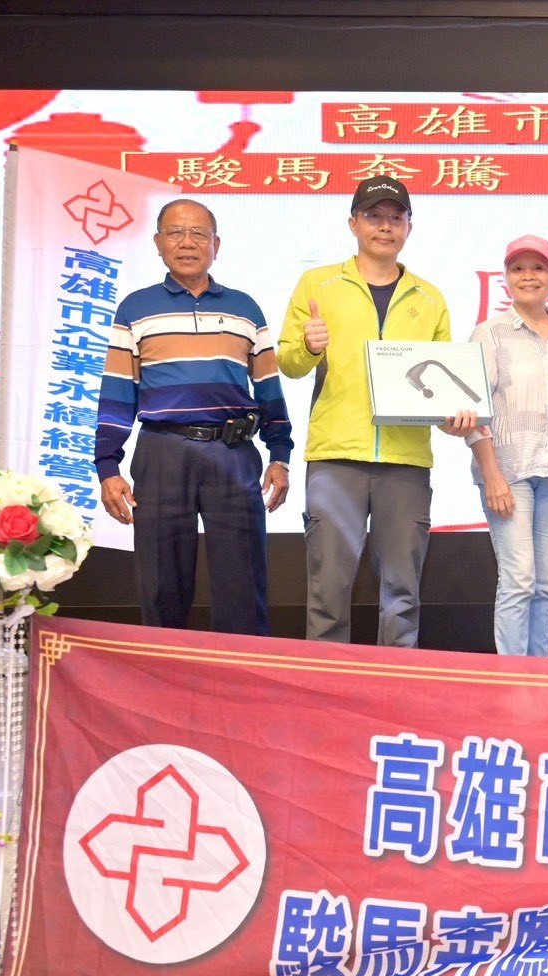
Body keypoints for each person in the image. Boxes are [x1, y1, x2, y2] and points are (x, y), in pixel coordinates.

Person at [277, 178, 473, 647]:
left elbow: (441, 386)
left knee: (402, 593)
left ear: (408, 227)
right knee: (328, 589)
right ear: (353, 224)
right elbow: (288, 363)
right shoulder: (318, 284)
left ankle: (396, 681)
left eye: (395, 217)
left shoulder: (429, 298)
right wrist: (308, 346)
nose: (385, 226)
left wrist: (454, 418)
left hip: (406, 461)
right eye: (373, 216)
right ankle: (326, 682)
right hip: (335, 457)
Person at [95, 198, 291, 635]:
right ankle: (164, 673)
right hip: (162, 452)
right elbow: (117, 394)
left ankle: (241, 671)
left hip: (233, 453)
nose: (187, 242)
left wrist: (280, 455)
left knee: (243, 585)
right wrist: (107, 466)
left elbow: (269, 390)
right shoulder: (135, 308)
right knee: (162, 583)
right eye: (176, 233)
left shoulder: (245, 309)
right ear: (158, 243)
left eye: (199, 233)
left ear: (216, 245)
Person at [466, 235, 548, 657]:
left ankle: (538, 672)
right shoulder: (489, 333)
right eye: (518, 268)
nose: (528, 276)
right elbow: (474, 410)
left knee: (545, 583)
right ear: (505, 278)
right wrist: (491, 476)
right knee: (518, 579)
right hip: (509, 472)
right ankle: (511, 675)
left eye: (538, 268)